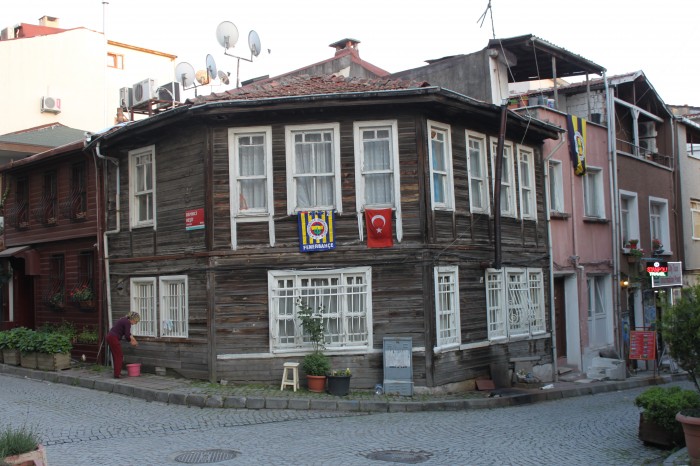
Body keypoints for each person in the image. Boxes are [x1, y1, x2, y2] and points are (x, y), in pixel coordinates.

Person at [106, 312, 140, 378]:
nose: (135, 323)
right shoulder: (127, 322)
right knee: (119, 356)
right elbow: (127, 335)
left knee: (116, 356)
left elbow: (127, 333)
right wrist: (131, 342)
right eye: (136, 322)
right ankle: (117, 375)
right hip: (113, 338)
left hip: (110, 336)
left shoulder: (124, 319)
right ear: (133, 319)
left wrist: (132, 339)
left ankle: (117, 373)